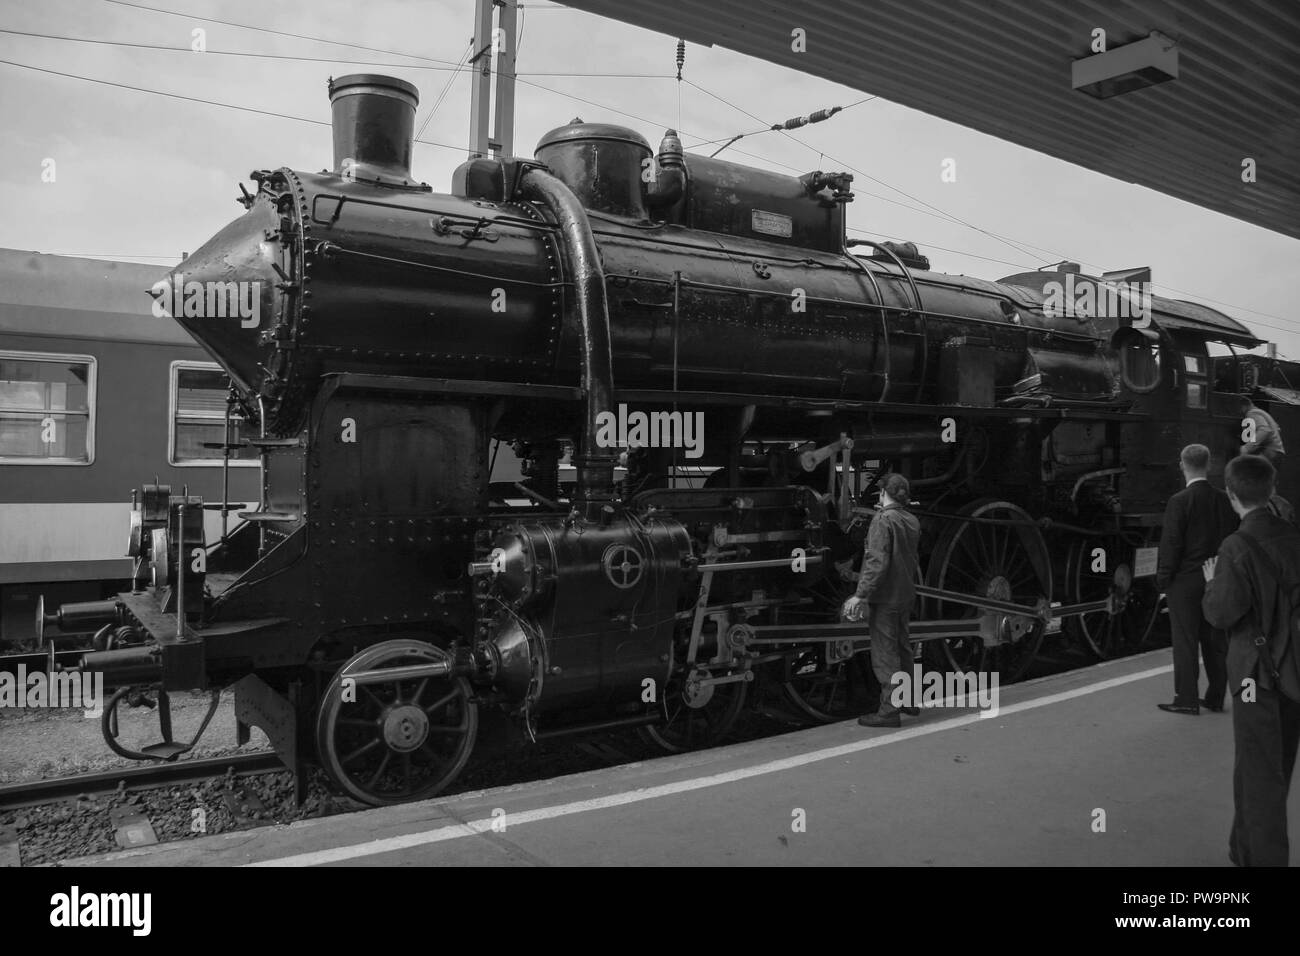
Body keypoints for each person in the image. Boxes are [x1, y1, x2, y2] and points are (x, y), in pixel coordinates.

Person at [1202, 454, 1300, 866]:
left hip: (1255, 677)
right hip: (1294, 672)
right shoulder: (1293, 537)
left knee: (1260, 777)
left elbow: (1221, 613)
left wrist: (1212, 582)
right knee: (1270, 765)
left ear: (1231, 495)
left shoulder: (1236, 546)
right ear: (1271, 489)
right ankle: (1241, 848)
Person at [1155, 444, 1238, 715]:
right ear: (1209, 465)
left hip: (1185, 582)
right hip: (1214, 577)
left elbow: (1171, 544)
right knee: (1215, 640)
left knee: (1185, 641)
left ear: (1182, 465)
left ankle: (1187, 699)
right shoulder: (1225, 500)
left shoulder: (1179, 501)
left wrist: (1164, 580)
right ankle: (1215, 697)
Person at [843, 473, 921, 728]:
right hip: (905, 593)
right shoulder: (911, 520)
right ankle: (908, 699)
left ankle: (889, 710)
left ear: (883, 494)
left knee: (886, 654)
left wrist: (860, 594)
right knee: (903, 648)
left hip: (885, 597)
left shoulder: (882, 520)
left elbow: (877, 563)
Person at [1239, 395, 1285, 473]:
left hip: (1269, 452)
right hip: (1277, 452)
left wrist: (1247, 448)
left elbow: (1265, 430)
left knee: (1255, 479)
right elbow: (1278, 429)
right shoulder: (1262, 412)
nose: (1239, 412)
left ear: (1243, 406)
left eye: (1239, 409)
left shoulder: (1251, 413)